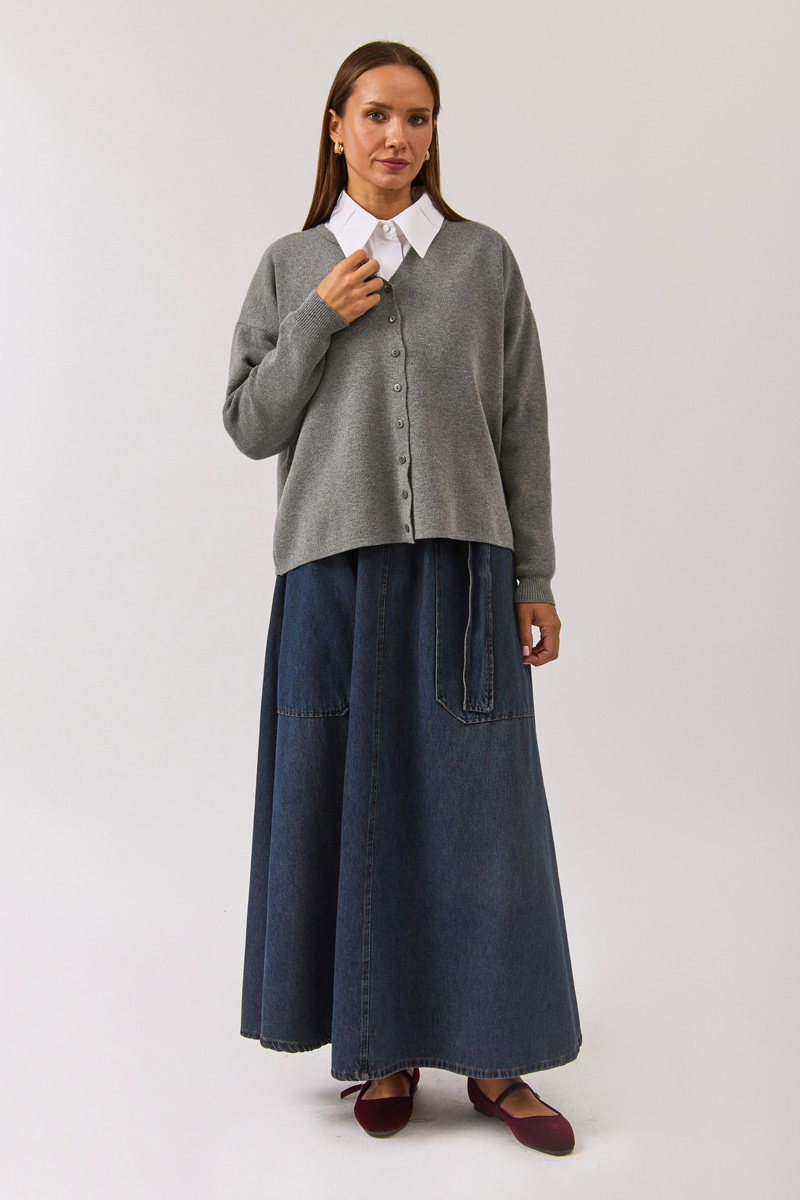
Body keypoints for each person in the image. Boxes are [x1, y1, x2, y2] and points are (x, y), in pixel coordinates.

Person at [223, 40, 582, 1156]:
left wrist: (533, 575)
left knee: (482, 816)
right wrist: (319, 314)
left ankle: (497, 1059)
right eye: (376, 114)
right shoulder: (291, 265)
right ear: (335, 127)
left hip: (464, 575)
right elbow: (248, 425)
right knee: (353, 802)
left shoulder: (480, 261)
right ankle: (380, 1048)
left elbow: (520, 424)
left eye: (417, 118)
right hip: (330, 577)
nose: (396, 137)